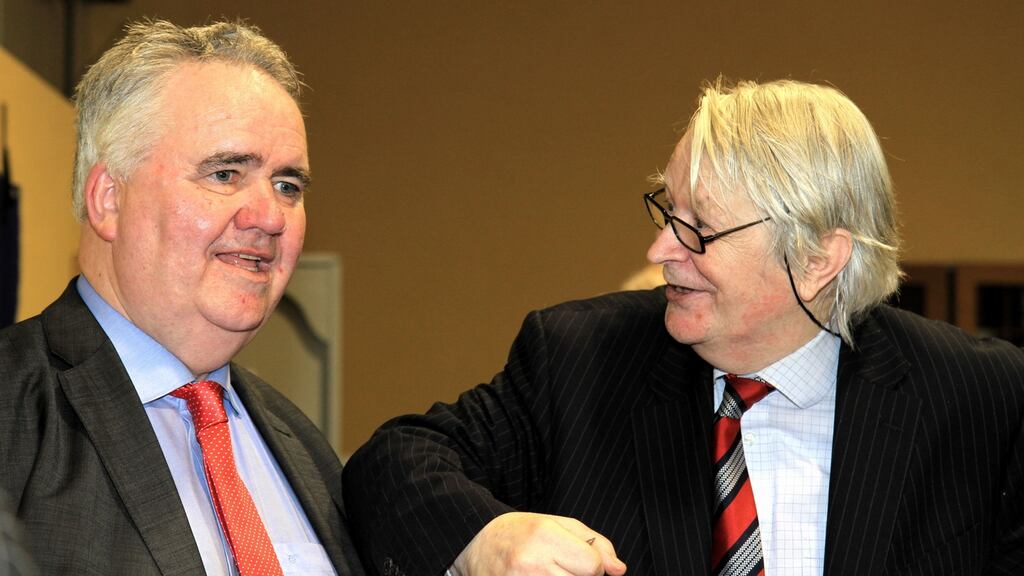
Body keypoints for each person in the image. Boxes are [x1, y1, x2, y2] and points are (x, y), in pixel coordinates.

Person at [342, 79, 1024, 575]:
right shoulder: (581, 363)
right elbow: (393, 462)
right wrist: (485, 536)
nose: (660, 250)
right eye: (667, 213)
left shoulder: (983, 397)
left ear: (818, 257)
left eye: (698, 228)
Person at [0, 20, 364, 576]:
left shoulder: (306, 451)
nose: (269, 217)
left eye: (288, 185)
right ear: (109, 199)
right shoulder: (13, 412)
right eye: (224, 173)